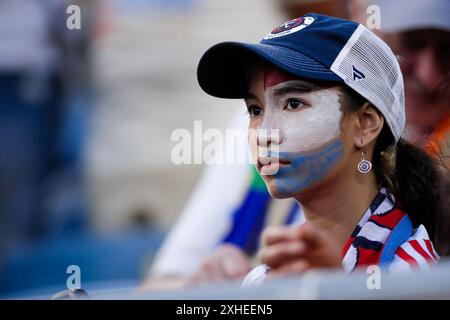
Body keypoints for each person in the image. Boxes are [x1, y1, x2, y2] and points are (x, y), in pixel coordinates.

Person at [196, 13, 442, 285]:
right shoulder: (262, 279)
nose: (264, 134)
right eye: (255, 110)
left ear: (365, 124)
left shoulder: (411, 272)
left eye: (293, 103)